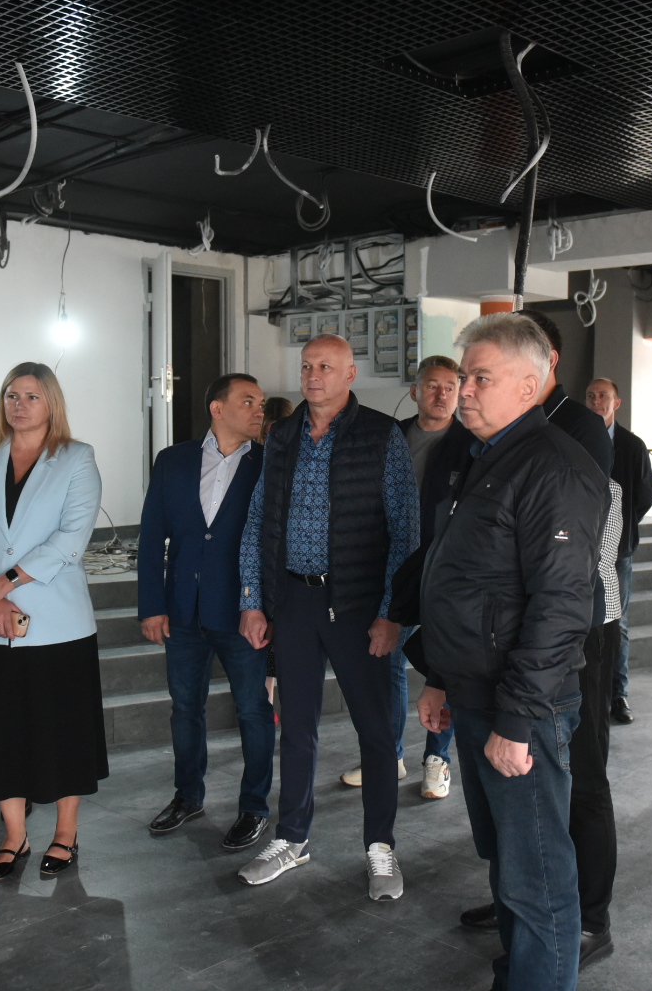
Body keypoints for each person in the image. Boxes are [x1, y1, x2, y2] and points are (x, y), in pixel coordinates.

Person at [417, 313, 607, 991]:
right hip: (476, 692)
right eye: (464, 377)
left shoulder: (554, 468)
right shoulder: (486, 457)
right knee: (507, 860)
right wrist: (440, 677)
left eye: (480, 378)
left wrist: (518, 718)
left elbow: (561, 608)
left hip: (521, 705)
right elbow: (467, 581)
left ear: (530, 385)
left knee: (537, 875)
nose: (463, 390)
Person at [235, 334, 419, 900]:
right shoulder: (282, 435)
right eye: (307, 366)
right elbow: (259, 521)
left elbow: (406, 531)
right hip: (294, 601)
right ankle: (291, 838)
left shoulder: (381, 435)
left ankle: (380, 846)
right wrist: (251, 598)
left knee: (375, 731)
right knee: (297, 729)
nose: (313, 376)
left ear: (350, 374)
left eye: (326, 367)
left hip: (359, 606)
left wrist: (392, 614)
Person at [0, 362, 107, 881]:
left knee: (63, 730)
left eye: (31, 396)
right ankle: (14, 835)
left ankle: (66, 832)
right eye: (11, 395)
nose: (18, 405)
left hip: (57, 621)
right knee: (2, 730)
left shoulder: (76, 458)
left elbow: (71, 538)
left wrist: (6, 583)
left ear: (51, 403)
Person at [139, 374, 275, 851]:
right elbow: (151, 537)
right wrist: (152, 605)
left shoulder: (269, 463)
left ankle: (254, 807)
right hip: (181, 610)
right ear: (217, 408)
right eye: (247, 401)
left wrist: (265, 607)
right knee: (184, 708)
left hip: (243, 611)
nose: (258, 410)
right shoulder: (173, 461)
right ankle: (187, 796)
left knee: (253, 710)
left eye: (260, 402)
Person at [340, 355, 465, 798]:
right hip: (394, 568)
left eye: (450, 386)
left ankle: (438, 759)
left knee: (443, 665)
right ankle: (388, 756)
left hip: (446, 572)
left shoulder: (471, 443)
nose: (441, 394)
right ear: (414, 391)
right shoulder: (391, 435)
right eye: (432, 385)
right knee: (388, 661)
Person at [586, 377, 652, 725]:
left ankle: (618, 694)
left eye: (604, 396)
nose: (596, 401)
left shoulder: (632, 445)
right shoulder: (579, 437)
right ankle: (590, 693)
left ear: (617, 403)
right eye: (591, 396)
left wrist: (622, 527)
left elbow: (645, 494)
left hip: (619, 551)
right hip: (583, 547)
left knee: (619, 623)